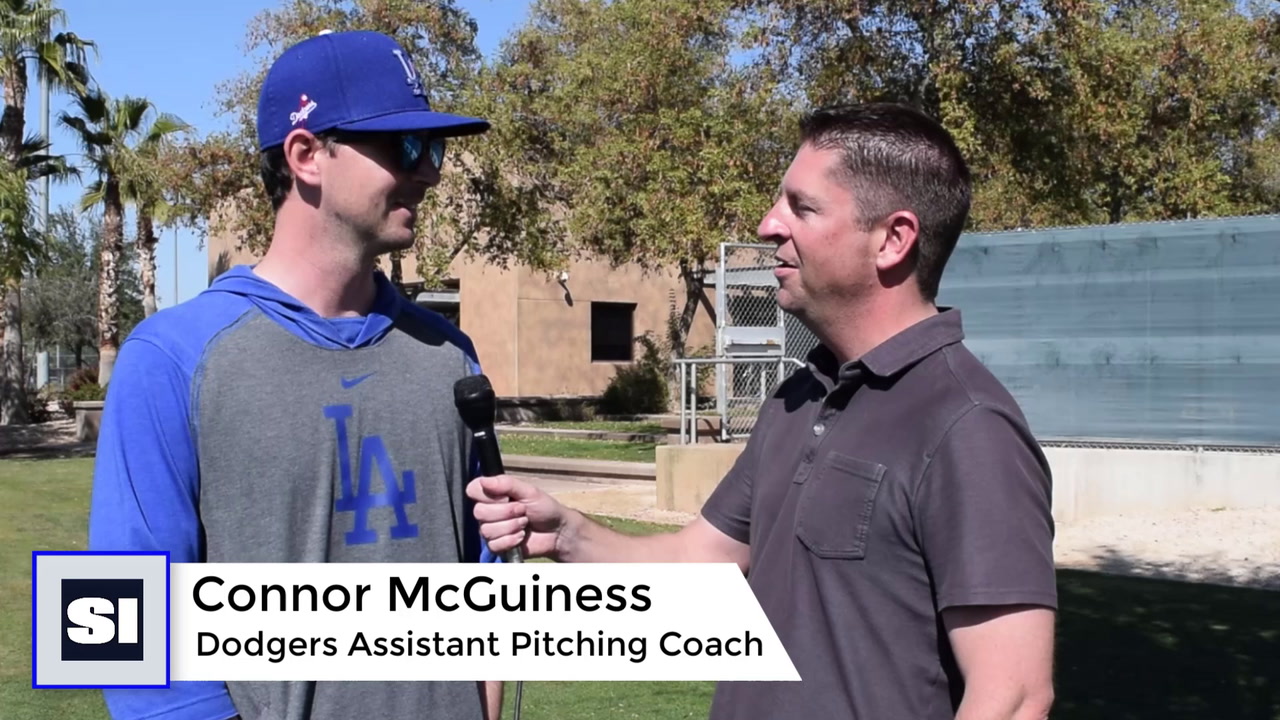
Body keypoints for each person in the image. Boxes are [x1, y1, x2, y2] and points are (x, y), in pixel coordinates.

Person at [469, 103, 1057, 720]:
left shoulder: (967, 425)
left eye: (801, 207)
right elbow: (706, 561)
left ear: (893, 240)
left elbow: (1013, 697)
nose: (768, 223)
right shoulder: (798, 396)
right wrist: (568, 533)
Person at [89, 30, 504, 720]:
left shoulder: (450, 358)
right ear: (306, 155)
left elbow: (486, 592)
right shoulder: (170, 360)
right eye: (403, 147)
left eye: (434, 149)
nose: (429, 172)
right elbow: (128, 634)